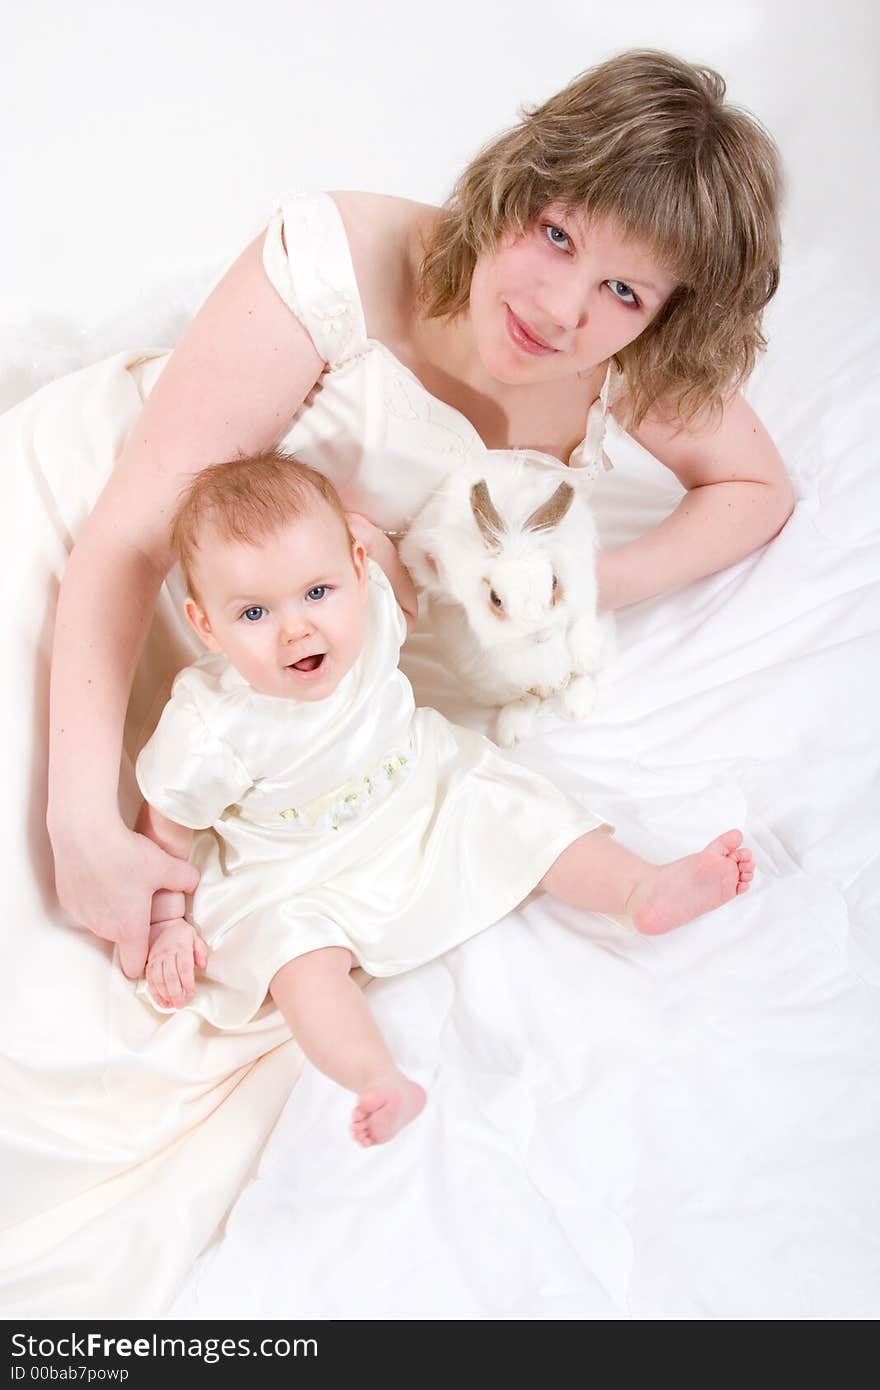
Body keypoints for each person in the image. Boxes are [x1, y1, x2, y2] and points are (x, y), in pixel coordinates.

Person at [46, 52, 792, 988]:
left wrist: (585, 588)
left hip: (312, 700)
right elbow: (126, 536)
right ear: (517, 181)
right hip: (109, 579)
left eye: (625, 292)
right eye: (556, 234)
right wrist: (79, 822)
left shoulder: (628, 363)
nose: (560, 312)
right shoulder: (342, 260)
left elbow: (757, 488)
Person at [136, 452, 753, 1147]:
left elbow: (406, 573)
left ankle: (640, 890)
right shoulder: (210, 725)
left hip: (419, 788)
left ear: (356, 571)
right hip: (296, 867)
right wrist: (167, 921)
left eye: (317, 592)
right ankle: (376, 1076)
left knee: (516, 804)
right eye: (253, 611)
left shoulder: (370, 609)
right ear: (205, 627)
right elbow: (167, 820)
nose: (297, 628)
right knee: (294, 960)